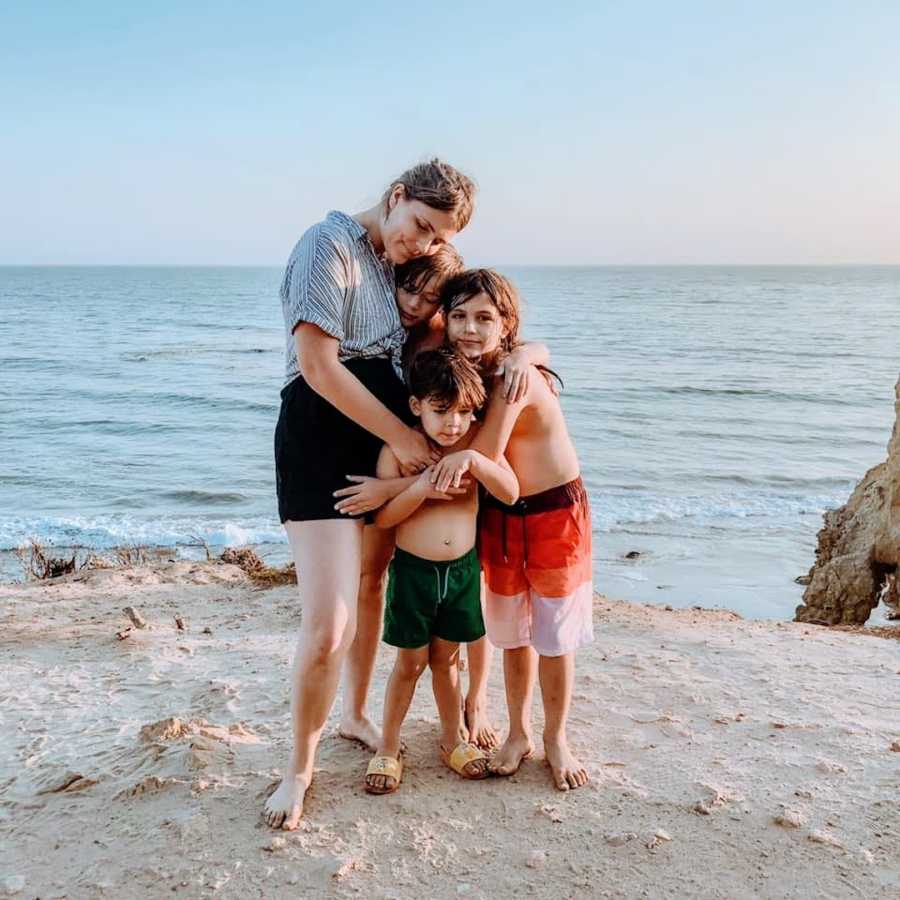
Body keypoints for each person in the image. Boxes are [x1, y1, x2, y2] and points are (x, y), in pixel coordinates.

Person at [264, 160, 476, 830]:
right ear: (395, 196)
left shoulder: (397, 265)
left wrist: (528, 354)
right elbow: (318, 366)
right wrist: (401, 437)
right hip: (324, 439)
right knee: (329, 622)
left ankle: (353, 713)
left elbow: (476, 313)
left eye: (436, 238)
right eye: (419, 224)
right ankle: (298, 769)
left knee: (372, 588)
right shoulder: (325, 245)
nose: (421, 244)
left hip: (382, 447)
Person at [331, 248, 551, 752]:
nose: (418, 303)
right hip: (394, 441)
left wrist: (525, 354)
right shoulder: (389, 328)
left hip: (451, 453)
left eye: (432, 296)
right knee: (370, 579)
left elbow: (525, 342)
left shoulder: (449, 336)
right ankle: (356, 710)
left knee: (472, 586)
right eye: (411, 288)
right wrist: (394, 478)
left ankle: (478, 699)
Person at [432, 268, 593, 792]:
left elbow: (486, 454)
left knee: (552, 636)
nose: (470, 329)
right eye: (458, 317)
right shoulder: (475, 372)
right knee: (513, 636)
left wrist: (528, 355)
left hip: (551, 512)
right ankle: (519, 734)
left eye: (484, 318)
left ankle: (556, 738)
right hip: (504, 515)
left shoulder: (514, 378)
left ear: (507, 325)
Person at [364, 349, 519, 794]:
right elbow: (384, 518)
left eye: (466, 412)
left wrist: (475, 461)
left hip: (463, 573)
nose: (454, 423)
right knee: (410, 663)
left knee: (448, 662)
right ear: (416, 406)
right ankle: (389, 747)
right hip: (414, 574)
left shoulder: (474, 448)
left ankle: (452, 739)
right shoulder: (400, 451)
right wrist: (421, 489)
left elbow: (509, 492)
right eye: (441, 411)